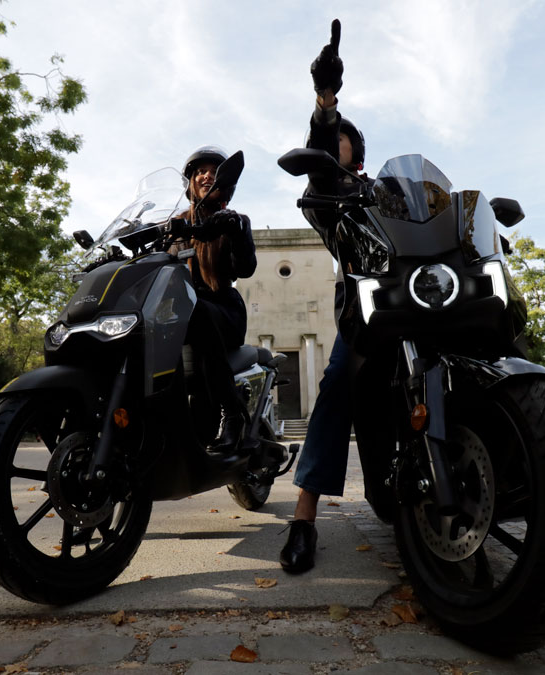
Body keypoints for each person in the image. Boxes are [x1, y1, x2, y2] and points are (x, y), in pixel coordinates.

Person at [279, 20, 370, 574]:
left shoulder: (381, 190)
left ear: (357, 153)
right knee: (335, 382)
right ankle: (304, 517)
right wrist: (326, 100)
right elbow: (322, 166)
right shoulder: (325, 196)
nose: (331, 151)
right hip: (366, 307)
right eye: (326, 145)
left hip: (418, 300)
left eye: (340, 143)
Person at [177, 146, 257, 455]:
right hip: (183, 314)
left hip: (223, 309)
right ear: (191, 182)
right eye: (200, 171)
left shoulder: (234, 221)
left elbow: (245, 268)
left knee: (196, 310)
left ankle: (232, 413)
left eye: (213, 171)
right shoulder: (176, 225)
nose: (207, 175)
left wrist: (235, 232)